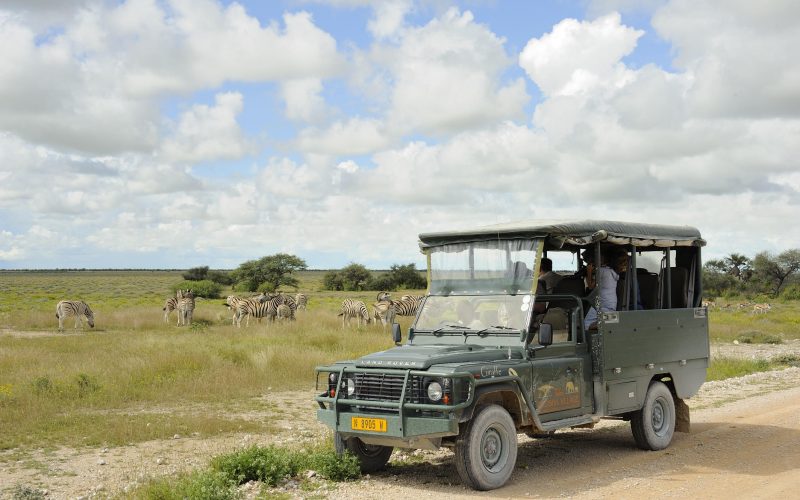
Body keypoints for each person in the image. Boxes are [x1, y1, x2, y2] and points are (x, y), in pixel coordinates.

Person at [584, 249, 621, 330]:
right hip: (612, 304)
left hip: (602, 305)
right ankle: (609, 321)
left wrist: (589, 272)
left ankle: (606, 323)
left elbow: (590, 286)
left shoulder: (601, 271)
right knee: (600, 319)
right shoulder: (613, 271)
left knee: (586, 324)